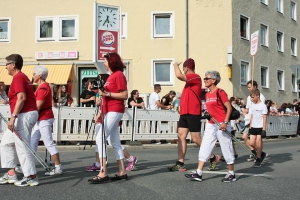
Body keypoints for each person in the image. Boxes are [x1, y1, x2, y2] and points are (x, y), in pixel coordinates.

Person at [168, 59, 218, 172]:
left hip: (193, 112)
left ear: (186, 68)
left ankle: (212, 156)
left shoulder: (195, 77)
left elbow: (179, 75)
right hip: (184, 112)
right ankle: (180, 162)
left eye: (184, 69)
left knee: (196, 139)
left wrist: (175, 65)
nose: (184, 71)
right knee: (181, 136)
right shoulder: (188, 83)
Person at [188, 70, 236, 183]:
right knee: (205, 147)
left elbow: (229, 108)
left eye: (207, 78)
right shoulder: (207, 94)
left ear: (213, 80)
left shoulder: (220, 92)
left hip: (222, 124)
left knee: (226, 148)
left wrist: (225, 122)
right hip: (211, 124)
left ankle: (231, 174)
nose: (204, 80)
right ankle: (198, 173)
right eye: (204, 78)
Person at [89, 52, 129, 184]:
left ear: (111, 62)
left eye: (105, 61)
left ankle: (103, 171)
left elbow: (124, 95)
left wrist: (108, 93)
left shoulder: (118, 75)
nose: (104, 63)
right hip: (108, 110)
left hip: (115, 110)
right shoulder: (112, 76)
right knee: (115, 142)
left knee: (100, 138)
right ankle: (122, 171)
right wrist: (100, 112)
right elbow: (106, 96)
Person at [0, 54, 39, 186]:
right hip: (25, 114)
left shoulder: (18, 77)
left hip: (23, 115)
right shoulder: (21, 77)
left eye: (6, 64)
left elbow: (21, 98)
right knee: (5, 143)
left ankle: (31, 176)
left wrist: (13, 117)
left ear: (13, 64)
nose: (5, 67)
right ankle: (11, 174)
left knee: (22, 146)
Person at [86, 95, 137, 172]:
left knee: (111, 142)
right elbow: (101, 104)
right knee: (99, 142)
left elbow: (107, 103)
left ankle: (130, 158)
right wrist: (98, 114)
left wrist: (99, 101)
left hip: (109, 118)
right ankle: (98, 163)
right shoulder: (102, 90)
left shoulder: (108, 91)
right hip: (102, 119)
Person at [30, 65, 63, 175]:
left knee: (48, 142)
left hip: (44, 117)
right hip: (42, 118)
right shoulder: (41, 87)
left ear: (39, 76)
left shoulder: (43, 87)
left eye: (34, 74)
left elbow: (38, 106)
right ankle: (28, 165)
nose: (32, 76)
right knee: (33, 141)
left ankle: (58, 167)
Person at [242, 80, 266, 162]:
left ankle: (257, 155)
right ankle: (257, 153)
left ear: (255, 86)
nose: (248, 89)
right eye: (248, 87)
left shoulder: (261, 96)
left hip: (257, 121)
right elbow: (248, 109)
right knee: (244, 137)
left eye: (250, 87)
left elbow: (261, 109)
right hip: (249, 120)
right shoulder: (249, 97)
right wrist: (244, 111)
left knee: (258, 141)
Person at [249, 89, 268, 167]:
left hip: (260, 127)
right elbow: (252, 116)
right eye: (251, 97)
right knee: (252, 144)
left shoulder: (263, 106)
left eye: (253, 97)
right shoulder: (253, 105)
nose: (251, 99)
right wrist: (250, 126)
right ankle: (262, 154)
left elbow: (264, 118)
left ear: (258, 96)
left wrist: (264, 129)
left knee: (258, 144)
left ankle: (258, 159)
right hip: (253, 126)